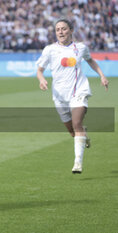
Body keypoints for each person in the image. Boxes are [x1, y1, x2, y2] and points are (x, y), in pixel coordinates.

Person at [36, 19, 109, 174]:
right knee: (72, 131)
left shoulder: (80, 48)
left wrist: (102, 76)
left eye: (63, 29)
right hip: (59, 95)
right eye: (58, 30)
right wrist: (41, 79)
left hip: (79, 91)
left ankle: (78, 163)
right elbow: (40, 70)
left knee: (76, 123)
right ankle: (84, 134)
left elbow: (91, 61)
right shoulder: (49, 50)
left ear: (70, 30)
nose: (61, 32)